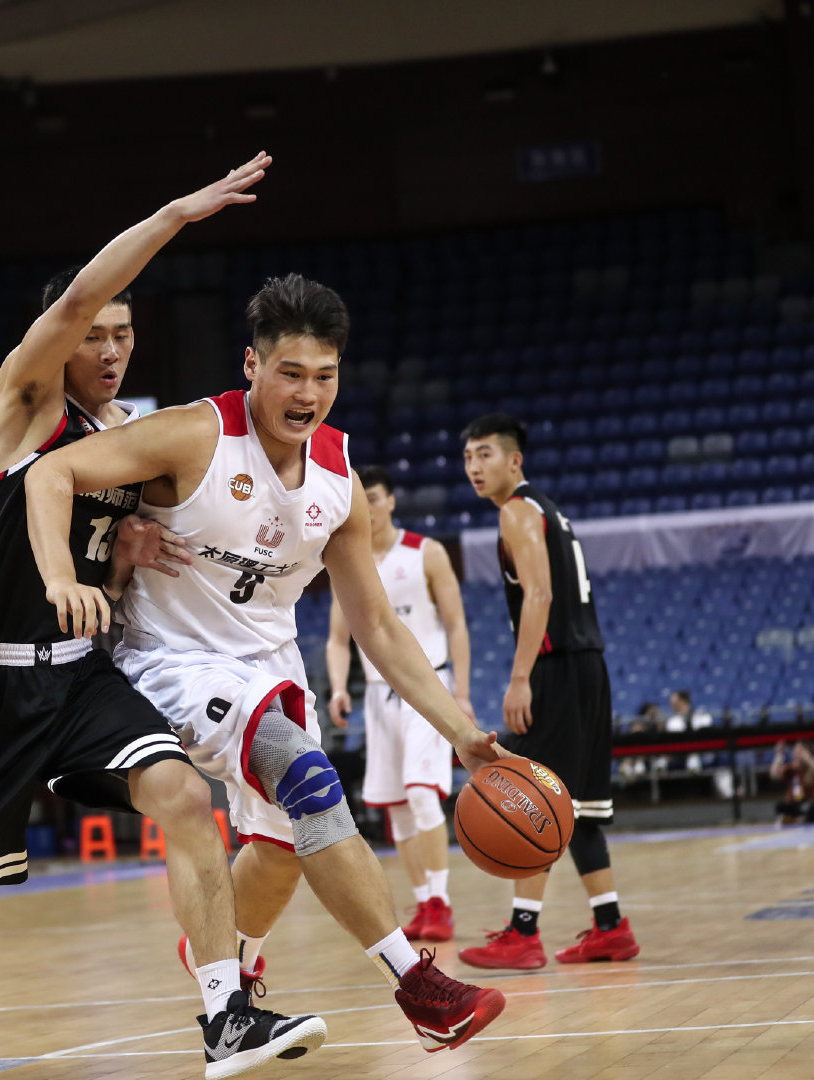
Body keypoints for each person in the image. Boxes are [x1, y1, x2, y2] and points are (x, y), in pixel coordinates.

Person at [0, 153, 330, 1080]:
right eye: (95, 334)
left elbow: (107, 565)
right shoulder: (24, 409)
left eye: (125, 333)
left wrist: (121, 562)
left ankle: (226, 1016)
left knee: (183, 798)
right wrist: (176, 215)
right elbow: (73, 302)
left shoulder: (120, 441)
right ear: (61, 344)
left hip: (73, 680)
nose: (111, 349)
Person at [26, 273, 508, 1054]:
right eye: (290, 373)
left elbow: (377, 625)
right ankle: (419, 988)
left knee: (283, 850)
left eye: (324, 376)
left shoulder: (338, 479)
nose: (307, 393)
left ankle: (228, 957)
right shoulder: (194, 434)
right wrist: (64, 575)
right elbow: (52, 472)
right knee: (308, 776)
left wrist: (460, 731)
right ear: (252, 365)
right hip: (172, 662)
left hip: (269, 668)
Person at [456, 413, 640, 971]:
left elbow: (538, 595)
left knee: (530, 796)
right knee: (578, 804)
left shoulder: (516, 511)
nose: (474, 466)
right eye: (468, 457)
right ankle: (611, 927)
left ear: (515, 460)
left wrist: (521, 678)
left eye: (485, 454)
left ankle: (522, 934)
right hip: (589, 665)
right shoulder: (549, 510)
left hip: (557, 666)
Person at [324, 465, 474, 944]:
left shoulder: (426, 552)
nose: (368, 507)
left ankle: (442, 902)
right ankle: (424, 900)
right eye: (361, 499)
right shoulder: (348, 559)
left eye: (374, 497)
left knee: (422, 792)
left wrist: (462, 693)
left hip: (427, 687)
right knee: (398, 807)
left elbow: (457, 624)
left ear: (390, 501)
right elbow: (337, 639)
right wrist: (339, 687)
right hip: (378, 694)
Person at [667, 689, 733, 798]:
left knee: (722, 761)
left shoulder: (701, 716)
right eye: (671, 704)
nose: (672, 706)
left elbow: (708, 737)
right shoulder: (672, 721)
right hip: (681, 758)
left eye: (675, 703)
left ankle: (727, 792)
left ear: (684, 701)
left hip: (704, 755)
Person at [770, 740, 814, 824]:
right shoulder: (790, 769)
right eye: (796, 751)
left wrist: (809, 759)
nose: (797, 754)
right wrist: (779, 755)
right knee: (780, 806)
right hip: (794, 805)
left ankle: (802, 818)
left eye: (800, 751)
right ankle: (798, 818)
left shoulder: (812, 768)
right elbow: (774, 775)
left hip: (810, 804)